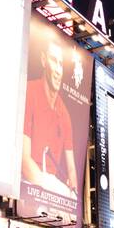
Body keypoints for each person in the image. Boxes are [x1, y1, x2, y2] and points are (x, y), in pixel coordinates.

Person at [22, 37, 78, 199]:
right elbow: (24, 161)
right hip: (26, 184)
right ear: (43, 60)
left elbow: (72, 170)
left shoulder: (64, 114)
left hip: (50, 192)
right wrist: (55, 191)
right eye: (54, 61)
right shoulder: (30, 92)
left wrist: (69, 191)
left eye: (61, 64)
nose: (58, 70)